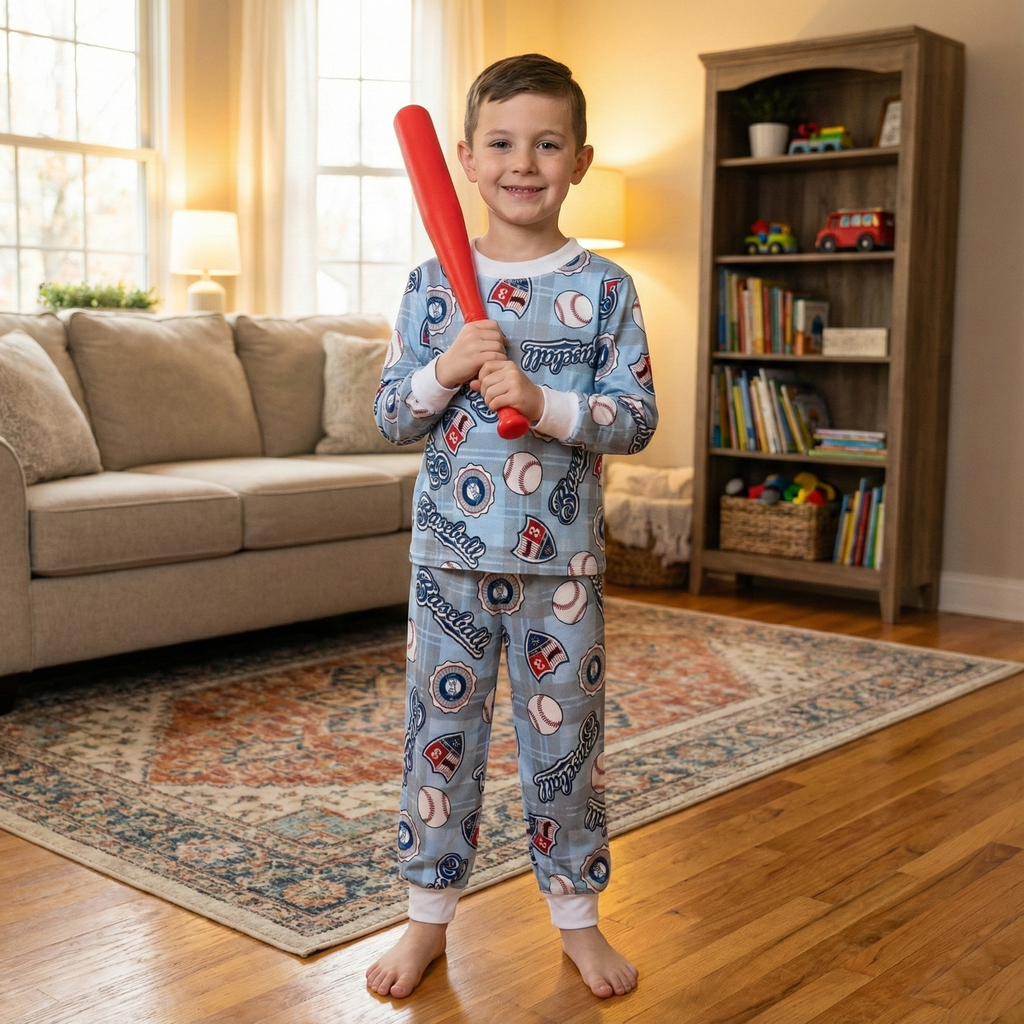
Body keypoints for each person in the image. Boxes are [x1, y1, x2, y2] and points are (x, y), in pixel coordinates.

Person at [366, 53, 657, 1001]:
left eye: (546, 143)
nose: (522, 162)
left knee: (565, 744)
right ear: (465, 156)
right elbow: (388, 417)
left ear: (578, 159)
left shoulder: (607, 291)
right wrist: (446, 368)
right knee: (438, 739)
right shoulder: (429, 287)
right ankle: (425, 920)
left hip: (560, 567)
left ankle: (577, 920)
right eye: (500, 142)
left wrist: (538, 398)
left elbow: (635, 417)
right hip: (446, 561)